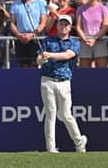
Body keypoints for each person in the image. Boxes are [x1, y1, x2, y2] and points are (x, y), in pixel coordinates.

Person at [36, 15, 87, 153]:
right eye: (61, 24)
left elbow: (67, 55)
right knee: (50, 114)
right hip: (47, 80)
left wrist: (50, 55)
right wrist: (42, 59)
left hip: (64, 82)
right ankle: (51, 147)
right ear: (57, 26)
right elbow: (38, 60)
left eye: (66, 24)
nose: (63, 26)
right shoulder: (47, 41)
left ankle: (79, 142)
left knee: (65, 115)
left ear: (70, 27)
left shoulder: (74, 42)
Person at [10, 0, 47, 68]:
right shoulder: (15, 4)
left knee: (35, 65)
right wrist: (19, 35)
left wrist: (32, 34)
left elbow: (43, 23)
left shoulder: (42, 3)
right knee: (23, 65)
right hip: (21, 39)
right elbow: (12, 23)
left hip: (35, 38)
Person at [76, 0, 108, 68]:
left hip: (100, 40)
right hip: (85, 41)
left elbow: (105, 26)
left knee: (102, 72)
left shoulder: (103, 8)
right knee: (85, 72)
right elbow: (78, 27)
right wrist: (85, 39)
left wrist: (95, 39)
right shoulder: (81, 8)